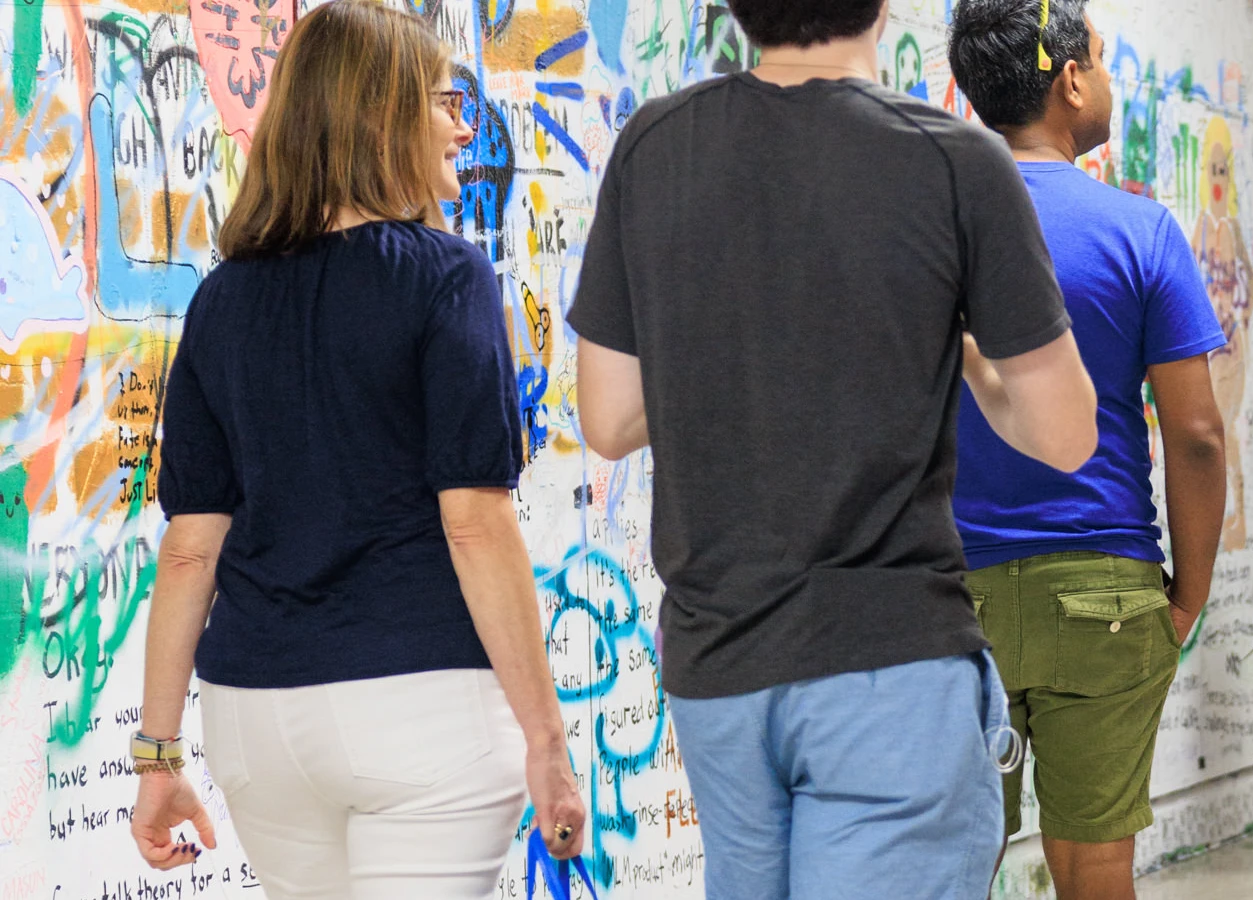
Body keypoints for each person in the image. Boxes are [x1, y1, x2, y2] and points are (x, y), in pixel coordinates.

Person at [567, 1, 1100, 896]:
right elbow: (1066, 434)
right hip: (887, 660)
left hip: (719, 669)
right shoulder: (953, 158)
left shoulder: (653, 145)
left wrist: (734, 348)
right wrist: (957, 351)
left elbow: (610, 420)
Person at [129, 2, 587, 893]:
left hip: (256, 720)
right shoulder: (447, 276)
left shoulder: (221, 303)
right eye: (447, 101)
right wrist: (547, 741)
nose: (465, 124)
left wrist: (156, 756)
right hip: (421, 712)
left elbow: (190, 550)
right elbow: (475, 525)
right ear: (381, 116)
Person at [944, 3, 1228, 897]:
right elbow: (1196, 435)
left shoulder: (934, 227)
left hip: (949, 590)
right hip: (1105, 587)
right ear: (1069, 81)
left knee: (950, 855)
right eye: (1100, 62)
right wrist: (1189, 592)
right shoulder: (1140, 232)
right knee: (1094, 859)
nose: (1105, 79)